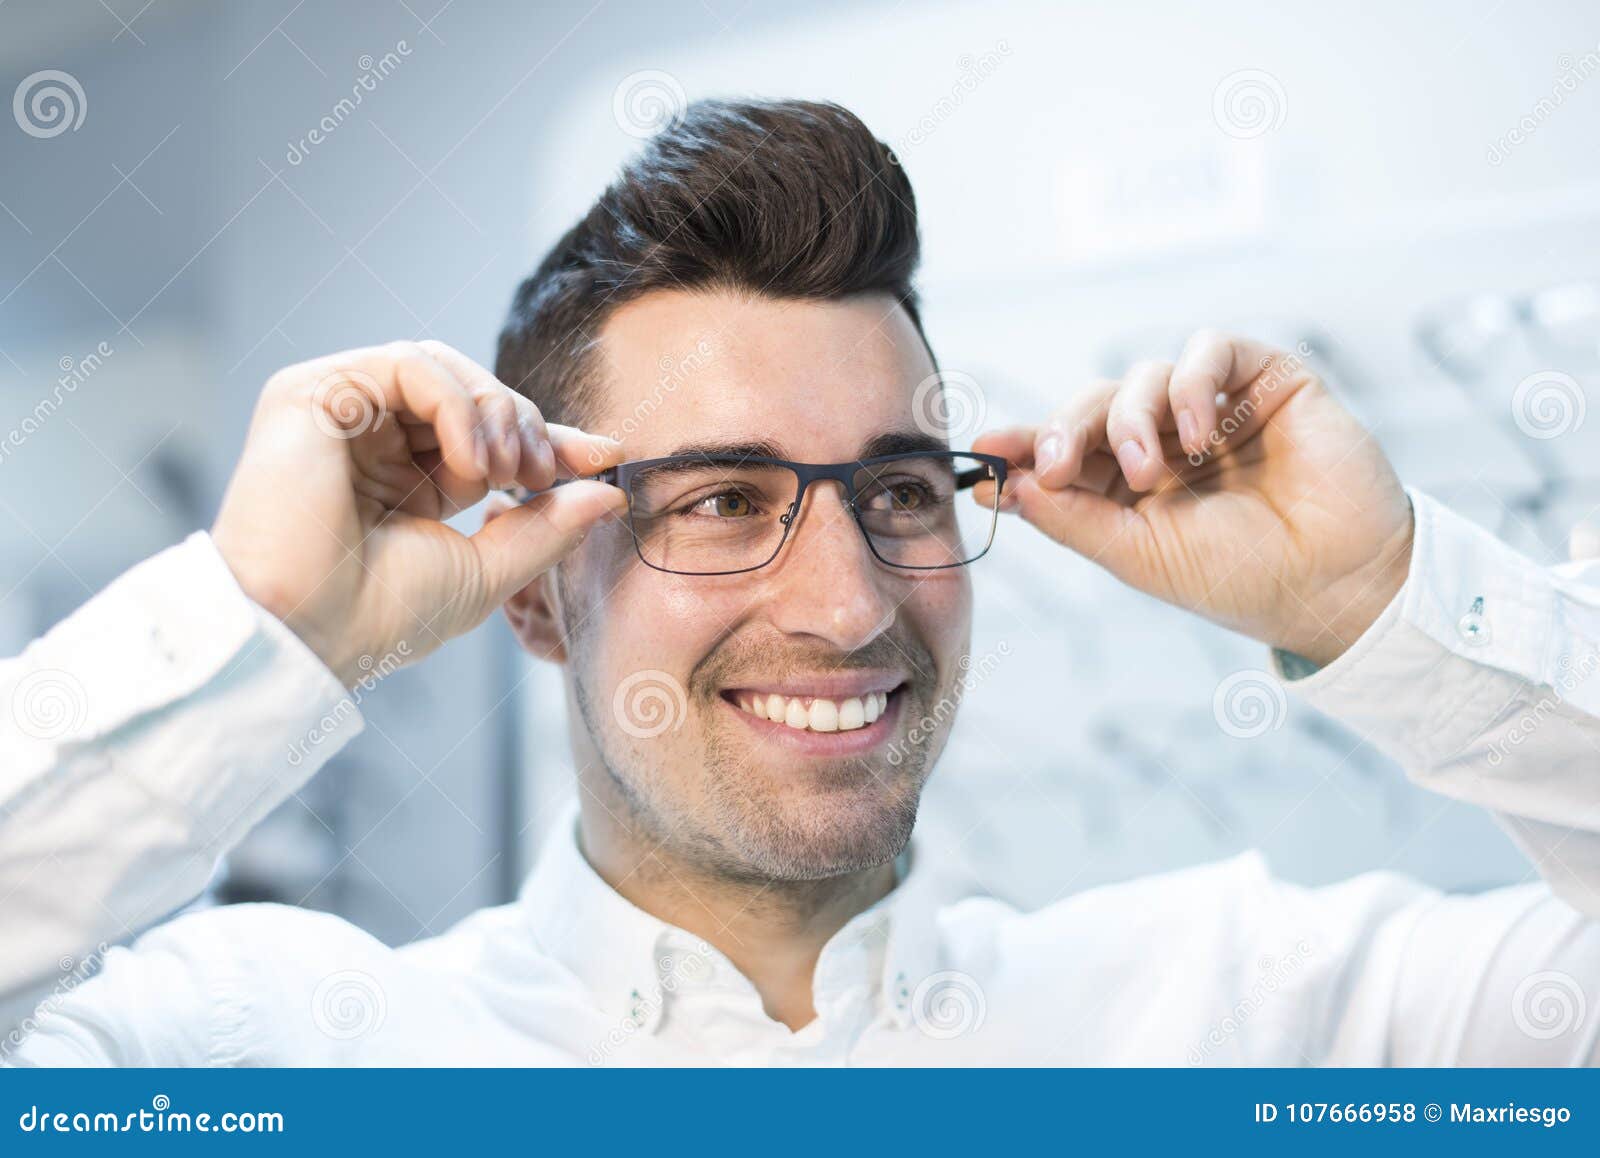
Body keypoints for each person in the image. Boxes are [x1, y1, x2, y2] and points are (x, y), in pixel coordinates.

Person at [2, 100, 1596, 1066]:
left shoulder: (1269, 1018)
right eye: (720, 498)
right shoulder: (264, 1054)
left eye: (901, 488)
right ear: (540, 597)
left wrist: (1389, 596)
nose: (848, 602)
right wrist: (257, 628)